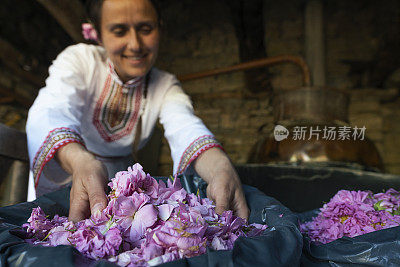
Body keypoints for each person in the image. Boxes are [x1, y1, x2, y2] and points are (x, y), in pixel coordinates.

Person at [26, 0, 249, 222]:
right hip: (69, 174)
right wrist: (81, 162)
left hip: (124, 194)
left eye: (145, 29)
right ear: (98, 34)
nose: (135, 44)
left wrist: (220, 167)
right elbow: (50, 112)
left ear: (159, 28)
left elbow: (186, 127)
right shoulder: (80, 61)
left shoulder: (164, 85)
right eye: (119, 31)